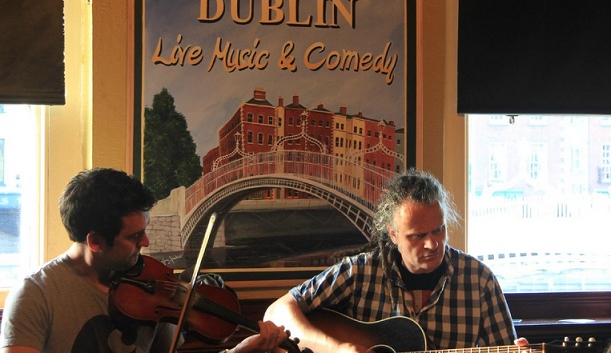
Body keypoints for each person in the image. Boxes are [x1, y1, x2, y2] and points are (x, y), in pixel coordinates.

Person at [0, 167, 288, 353]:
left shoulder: (155, 291)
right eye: (134, 236)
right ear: (95, 241)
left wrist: (242, 351)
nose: (146, 243)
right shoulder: (35, 296)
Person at [265, 168, 527, 353]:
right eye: (417, 235)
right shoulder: (360, 271)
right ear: (393, 234)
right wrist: (337, 348)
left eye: (439, 229)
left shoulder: (479, 280)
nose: (432, 243)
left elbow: (505, 346)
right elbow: (277, 312)